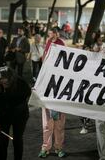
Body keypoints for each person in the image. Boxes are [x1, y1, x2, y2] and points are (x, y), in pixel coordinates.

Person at [0, 67, 31, 160]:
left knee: (17, 139)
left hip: (20, 114)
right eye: (2, 82)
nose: (5, 83)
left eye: (7, 82)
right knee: (2, 141)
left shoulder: (21, 83)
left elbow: (28, 95)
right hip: (3, 115)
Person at [39, 28, 66, 158]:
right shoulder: (44, 71)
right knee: (47, 124)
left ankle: (59, 148)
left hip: (60, 97)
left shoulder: (61, 43)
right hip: (48, 98)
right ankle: (45, 147)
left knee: (59, 125)